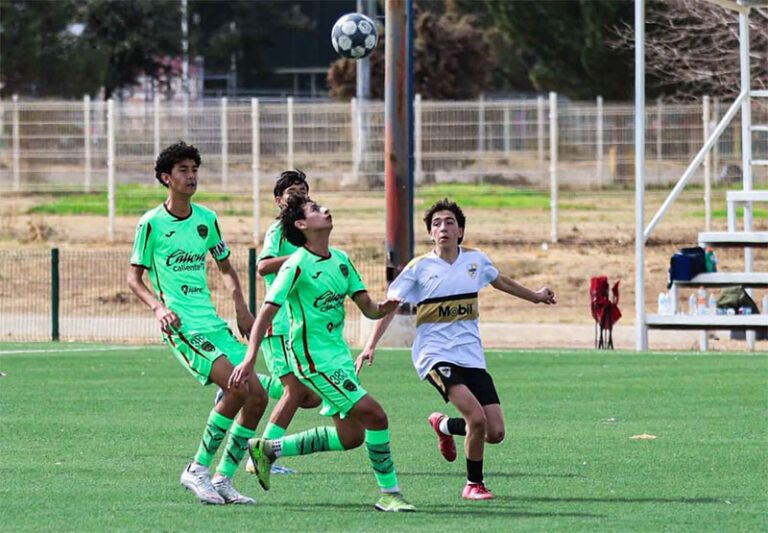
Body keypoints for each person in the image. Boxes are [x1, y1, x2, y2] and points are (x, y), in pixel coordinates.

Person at [355, 198, 556, 501]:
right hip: (435, 356)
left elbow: (501, 281)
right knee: (476, 418)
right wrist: (370, 345)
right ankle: (474, 484)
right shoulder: (419, 268)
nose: (443, 228)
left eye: (449, 222)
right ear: (430, 234)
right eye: (436, 224)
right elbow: (390, 307)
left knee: (494, 432)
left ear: (460, 230)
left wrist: (536, 296)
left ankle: (444, 425)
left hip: (471, 356)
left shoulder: (476, 261)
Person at [229, 194, 416, 513]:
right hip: (312, 360)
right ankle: (390, 494)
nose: (326, 210)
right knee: (376, 415)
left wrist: (383, 308)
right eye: (316, 209)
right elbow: (266, 313)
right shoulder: (295, 265)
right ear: (302, 224)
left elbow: (368, 308)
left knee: (351, 436)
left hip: (338, 356)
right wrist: (249, 357)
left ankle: (268, 449)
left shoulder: (341, 260)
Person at [128, 141, 271, 505]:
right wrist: (159, 309)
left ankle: (223, 478)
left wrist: (241, 307)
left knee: (258, 396)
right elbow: (133, 278)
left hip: (213, 323)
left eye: (194, 169)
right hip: (183, 328)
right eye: (183, 170)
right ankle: (197, 469)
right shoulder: (151, 223)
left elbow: (226, 267)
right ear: (166, 178)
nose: (191, 176)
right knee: (237, 388)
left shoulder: (206, 219)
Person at [248, 170, 321, 474]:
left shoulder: (309, 232)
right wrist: (299, 258)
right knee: (296, 392)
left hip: (300, 327)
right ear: (279, 200)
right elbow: (263, 266)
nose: (299, 194)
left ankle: (244, 386)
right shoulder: (278, 230)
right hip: (277, 325)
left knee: (311, 396)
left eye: (303, 189)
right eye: (292, 191)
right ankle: (262, 454)